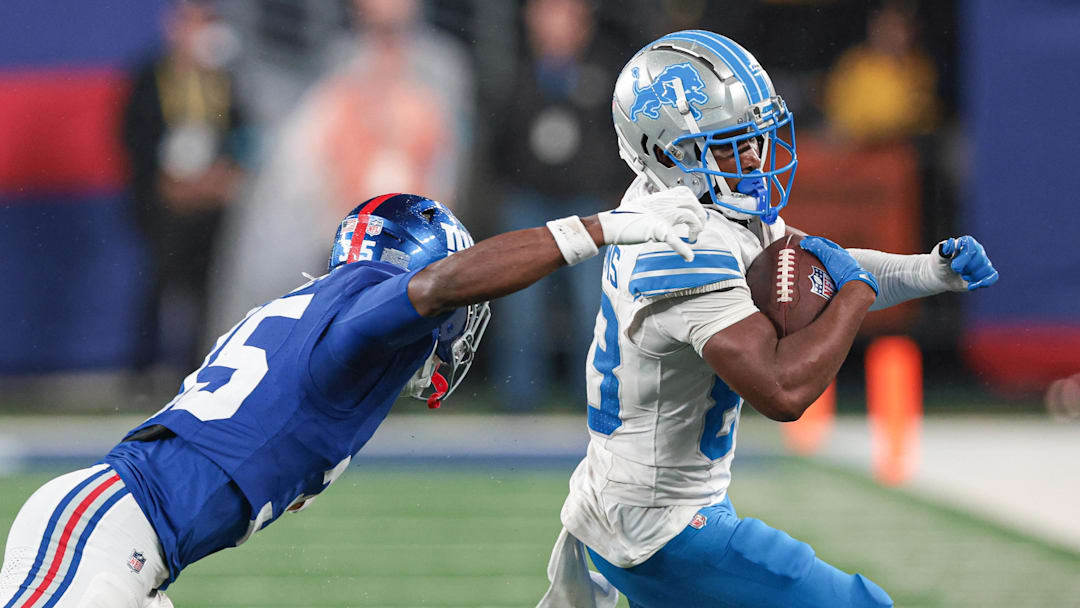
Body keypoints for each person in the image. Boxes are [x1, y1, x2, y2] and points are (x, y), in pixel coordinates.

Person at [0, 191, 706, 607]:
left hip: (128, 541)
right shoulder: (360, 319)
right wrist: (601, 229)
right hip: (101, 534)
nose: (456, 326)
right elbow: (437, 289)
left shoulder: (323, 313)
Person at [539, 30, 998, 608]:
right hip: (660, 529)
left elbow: (822, 271)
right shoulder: (680, 244)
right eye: (731, 145)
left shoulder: (696, 206)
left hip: (655, 509)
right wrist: (854, 297)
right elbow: (783, 390)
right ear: (665, 152)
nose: (755, 158)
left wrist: (930, 272)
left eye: (756, 137)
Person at [490, 0, 627, 410]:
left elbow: (619, 138)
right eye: (544, 14)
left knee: (595, 303)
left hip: (587, 207)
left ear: (583, 22)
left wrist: (608, 191)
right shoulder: (513, 72)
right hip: (527, 202)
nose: (553, 24)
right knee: (520, 303)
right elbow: (497, 138)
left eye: (563, 14)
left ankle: (596, 396)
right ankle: (517, 401)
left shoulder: (606, 74)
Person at [122, 0, 247, 372]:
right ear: (175, 28)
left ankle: (195, 368)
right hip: (164, 205)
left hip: (211, 202)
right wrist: (164, 184)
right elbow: (133, 137)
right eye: (192, 22)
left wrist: (226, 175)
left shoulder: (225, 79)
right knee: (159, 284)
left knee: (207, 287)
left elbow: (241, 133)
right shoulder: (151, 75)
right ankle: (141, 371)